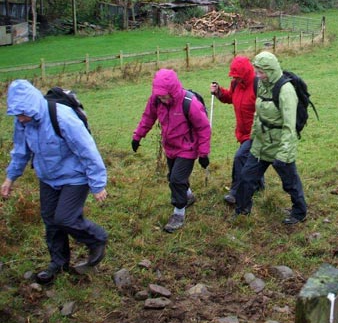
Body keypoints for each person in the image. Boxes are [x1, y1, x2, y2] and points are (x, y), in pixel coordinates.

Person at [1, 80, 108, 284]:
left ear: (32, 106)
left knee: (65, 218)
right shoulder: (23, 121)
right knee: (50, 219)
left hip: (75, 176)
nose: (20, 119)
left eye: (22, 113)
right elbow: (21, 151)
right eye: (16, 114)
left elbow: (87, 150)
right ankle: (58, 263)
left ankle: (96, 239)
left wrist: (97, 184)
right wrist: (10, 178)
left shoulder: (62, 117)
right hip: (48, 177)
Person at [132, 69, 211, 233]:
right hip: (170, 146)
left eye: (164, 96)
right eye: (159, 96)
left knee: (176, 179)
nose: (162, 98)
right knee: (174, 177)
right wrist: (138, 136)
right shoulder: (156, 100)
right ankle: (188, 196)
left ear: (173, 91)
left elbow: (204, 128)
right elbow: (148, 118)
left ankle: (178, 213)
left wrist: (203, 154)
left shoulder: (190, 103)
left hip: (188, 148)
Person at [234, 51, 307, 225]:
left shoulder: (286, 90)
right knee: (246, 177)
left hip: (280, 143)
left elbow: (290, 126)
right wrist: (253, 136)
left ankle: (299, 212)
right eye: (256, 71)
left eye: (261, 72)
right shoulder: (260, 84)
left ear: (271, 70)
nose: (257, 75)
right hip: (261, 142)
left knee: (289, 182)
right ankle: (242, 213)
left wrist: (283, 154)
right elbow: (258, 113)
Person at [210, 56, 263, 205]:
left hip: (257, 133)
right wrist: (219, 92)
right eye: (234, 76)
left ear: (246, 73)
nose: (236, 79)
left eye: (238, 76)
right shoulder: (235, 84)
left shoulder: (257, 85)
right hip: (242, 132)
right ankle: (259, 185)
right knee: (252, 161)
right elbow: (231, 98)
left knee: (240, 157)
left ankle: (235, 192)